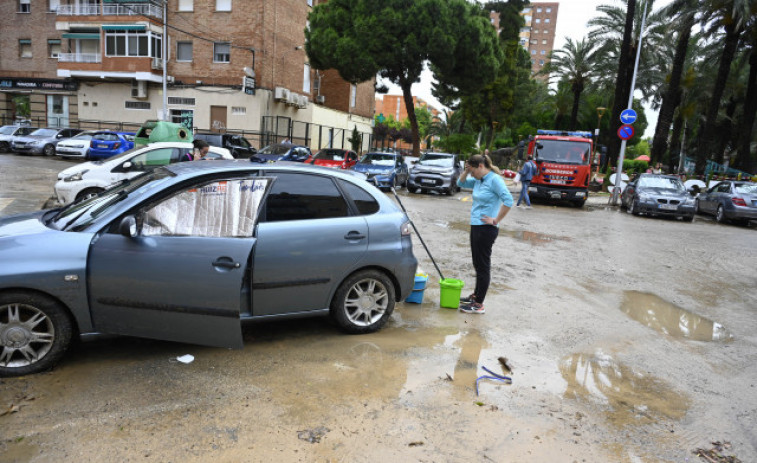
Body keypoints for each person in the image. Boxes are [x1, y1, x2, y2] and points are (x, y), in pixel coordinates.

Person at [456, 154, 513, 314]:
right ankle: (476, 295)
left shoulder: (494, 180)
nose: (472, 174)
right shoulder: (479, 180)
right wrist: (467, 171)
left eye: (473, 170)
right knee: (477, 263)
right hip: (476, 226)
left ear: (481, 166)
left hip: (486, 229)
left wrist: (495, 220)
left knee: (483, 266)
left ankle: (479, 304)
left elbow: (508, 200)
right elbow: (459, 183)